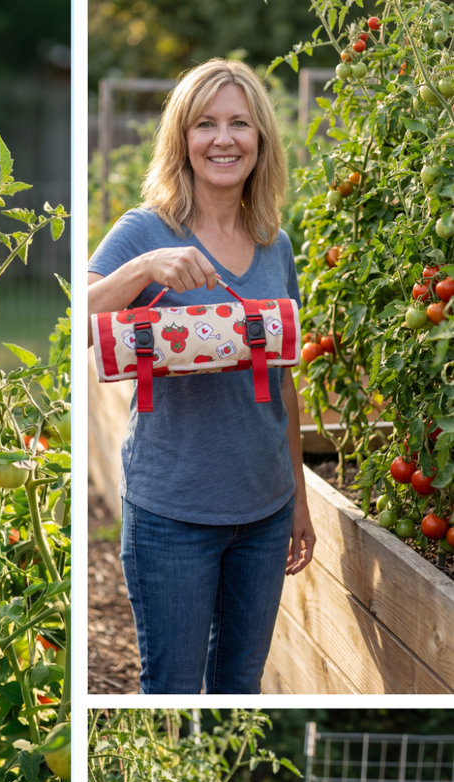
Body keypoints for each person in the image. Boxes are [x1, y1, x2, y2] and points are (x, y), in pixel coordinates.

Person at [88, 58, 315, 695]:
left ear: (261, 139)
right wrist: (145, 269)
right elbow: (78, 315)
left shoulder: (276, 243)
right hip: (173, 514)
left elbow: (283, 378)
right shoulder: (144, 230)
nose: (223, 139)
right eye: (205, 124)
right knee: (173, 690)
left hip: (265, 513)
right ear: (182, 138)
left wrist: (296, 495)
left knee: (239, 690)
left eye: (239, 124)